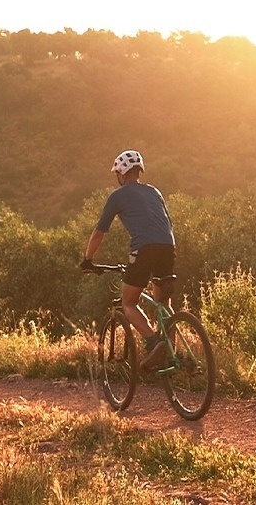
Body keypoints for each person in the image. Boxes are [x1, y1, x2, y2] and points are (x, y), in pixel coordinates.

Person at [81, 150, 176, 368]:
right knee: (162, 301)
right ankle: (171, 352)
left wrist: (88, 259)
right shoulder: (154, 192)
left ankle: (153, 343)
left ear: (121, 174)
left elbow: (99, 232)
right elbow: (167, 223)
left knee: (129, 303)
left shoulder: (118, 196)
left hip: (144, 249)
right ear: (138, 170)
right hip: (168, 246)